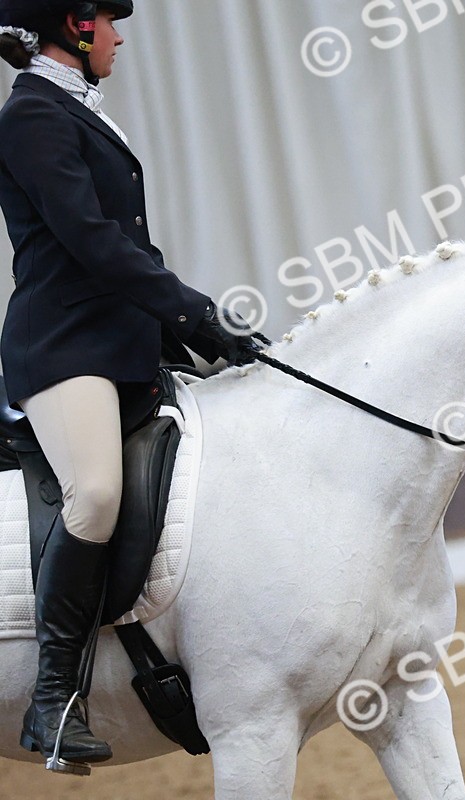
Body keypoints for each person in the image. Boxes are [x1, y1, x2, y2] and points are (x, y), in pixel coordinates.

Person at [0, 0, 259, 766]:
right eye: (107, 22)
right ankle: (53, 700)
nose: (118, 35)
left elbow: (120, 249)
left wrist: (185, 331)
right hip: (63, 351)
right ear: (73, 29)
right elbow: (92, 242)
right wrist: (190, 310)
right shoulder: (32, 117)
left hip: (122, 342)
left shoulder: (78, 110)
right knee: (98, 493)